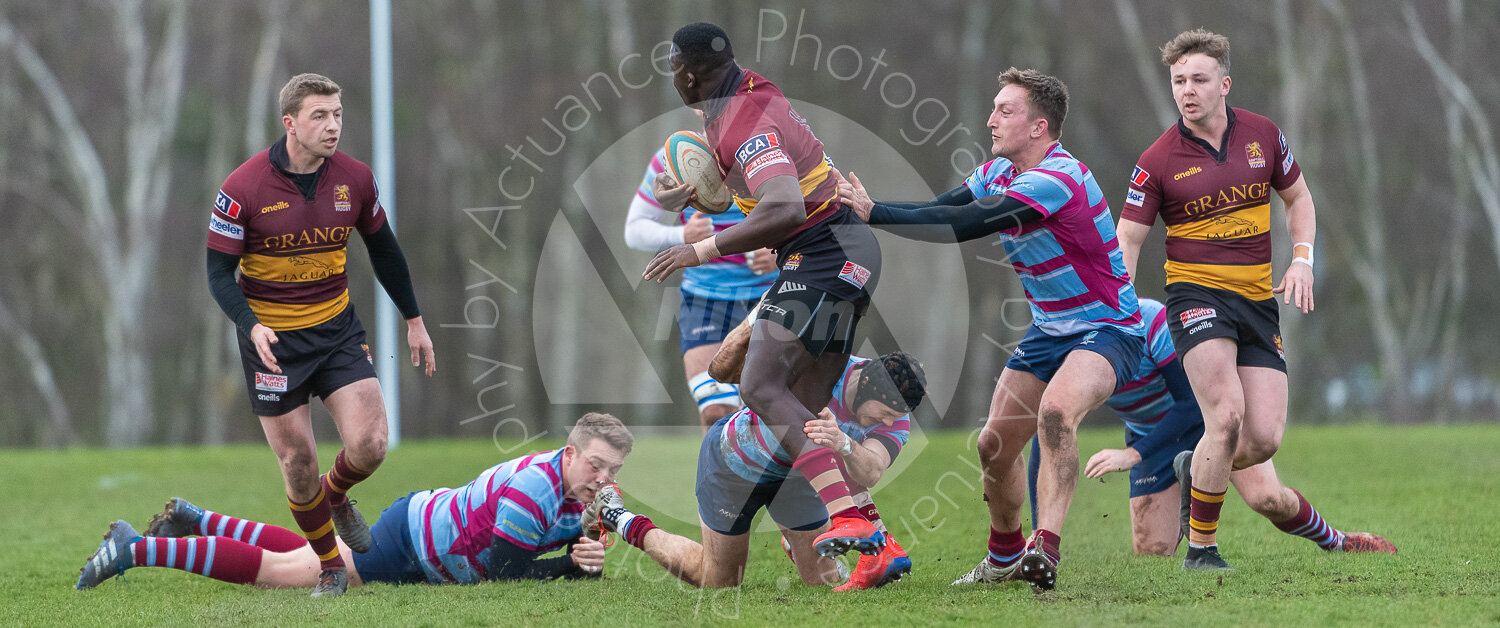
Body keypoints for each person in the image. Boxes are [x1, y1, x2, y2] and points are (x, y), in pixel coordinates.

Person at [840, 68, 1145, 591]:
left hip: (1109, 328)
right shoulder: (996, 172)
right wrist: (873, 212)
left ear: (1039, 126)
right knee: (993, 447)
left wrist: (876, 212)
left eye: (1005, 110)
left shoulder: (1057, 177)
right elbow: (943, 209)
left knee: (1056, 413)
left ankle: (1044, 549)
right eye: (994, 108)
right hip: (1050, 331)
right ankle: (1004, 557)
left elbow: (966, 225)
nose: (991, 119)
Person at [640, 23, 885, 557]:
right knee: (801, 406)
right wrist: (690, 194)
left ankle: (848, 518)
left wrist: (700, 250)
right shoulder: (743, 93)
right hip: (850, 252)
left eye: (673, 71)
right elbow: (751, 184)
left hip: (821, 252)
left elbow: (785, 207)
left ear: (687, 75)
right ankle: (875, 539)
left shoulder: (743, 121)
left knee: (758, 386)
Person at [205, 73, 437, 596]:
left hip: (336, 332)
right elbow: (218, 274)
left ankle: (336, 496)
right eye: (320, 116)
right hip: (273, 344)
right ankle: (331, 565)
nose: (333, 126)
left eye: (337, 115)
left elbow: (384, 250)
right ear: (290, 123)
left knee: (371, 444)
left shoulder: (355, 179)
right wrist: (251, 325)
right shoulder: (242, 189)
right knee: (297, 462)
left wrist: (414, 320)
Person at [1115, 29, 1319, 570]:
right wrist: (1119, 312)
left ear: (1224, 84)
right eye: (1179, 81)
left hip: (1257, 301)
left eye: (1199, 80)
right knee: (1225, 416)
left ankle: (1194, 466)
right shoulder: (1157, 159)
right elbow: (1128, 240)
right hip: (1195, 298)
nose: (1187, 90)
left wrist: (1302, 258)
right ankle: (1202, 549)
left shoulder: (1263, 135)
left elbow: (1299, 198)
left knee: (1263, 438)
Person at [75, 414, 632, 591]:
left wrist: (587, 543)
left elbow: (575, 546)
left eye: (613, 470)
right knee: (280, 574)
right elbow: (506, 571)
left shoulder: (580, 489)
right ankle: (135, 548)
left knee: (305, 554)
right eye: (595, 464)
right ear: (569, 453)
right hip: (411, 544)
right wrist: (570, 565)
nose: (604, 478)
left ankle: (197, 521)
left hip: (419, 524)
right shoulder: (537, 488)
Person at [1021, 299, 1396, 558]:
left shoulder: (1150, 321)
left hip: (1207, 423)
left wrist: (1133, 454)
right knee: (1152, 552)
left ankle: (1337, 541)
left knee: (1267, 498)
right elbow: (1053, 427)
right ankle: (1188, 483)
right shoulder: (1069, 338)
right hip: (1153, 437)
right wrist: (1041, 536)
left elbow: (1189, 405)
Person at [586, 348, 927, 591]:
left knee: (822, 584)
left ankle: (796, 540)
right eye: (883, 413)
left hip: (797, 481)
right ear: (863, 388)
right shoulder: (821, 368)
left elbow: (871, 472)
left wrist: (844, 442)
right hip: (733, 467)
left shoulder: (895, 419)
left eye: (894, 417)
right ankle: (617, 516)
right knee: (719, 580)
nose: (888, 422)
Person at [623, 146, 777, 431]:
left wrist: (781, 252)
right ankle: (717, 461)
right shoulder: (674, 155)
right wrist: (682, 234)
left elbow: (825, 219)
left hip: (771, 298)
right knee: (716, 412)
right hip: (705, 301)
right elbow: (634, 231)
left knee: (770, 413)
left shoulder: (776, 148)